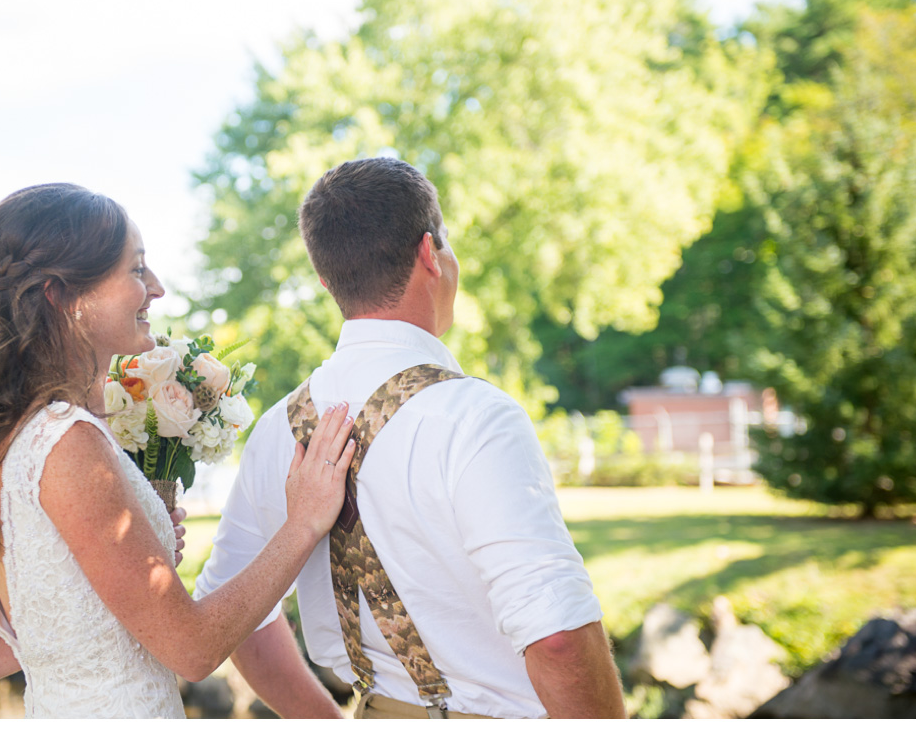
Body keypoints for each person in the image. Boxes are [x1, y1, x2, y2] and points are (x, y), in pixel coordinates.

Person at [194, 158, 627, 719]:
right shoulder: (475, 417)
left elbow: (236, 615)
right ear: (431, 253)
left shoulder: (278, 428)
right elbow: (557, 639)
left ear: (326, 280)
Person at [0, 183, 354, 718]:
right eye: (136, 270)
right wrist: (302, 523)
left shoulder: (0, 437)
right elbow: (193, 650)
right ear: (62, 296)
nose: (156, 288)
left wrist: (124, 586)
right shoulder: (68, 442)